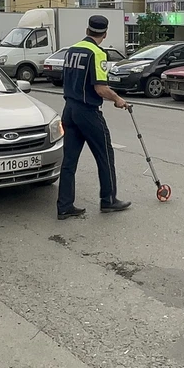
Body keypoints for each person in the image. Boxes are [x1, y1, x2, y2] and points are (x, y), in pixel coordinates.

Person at [55, 15, 132, 220]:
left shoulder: (72, 50)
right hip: (87, 111)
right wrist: (118, 99)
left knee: (69, 161)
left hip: (69, 109)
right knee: (105, 155)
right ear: (104, 34)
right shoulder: (98, 53)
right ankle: (108, 200)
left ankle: (64, 206)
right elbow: (100, 88)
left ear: (88, 30)